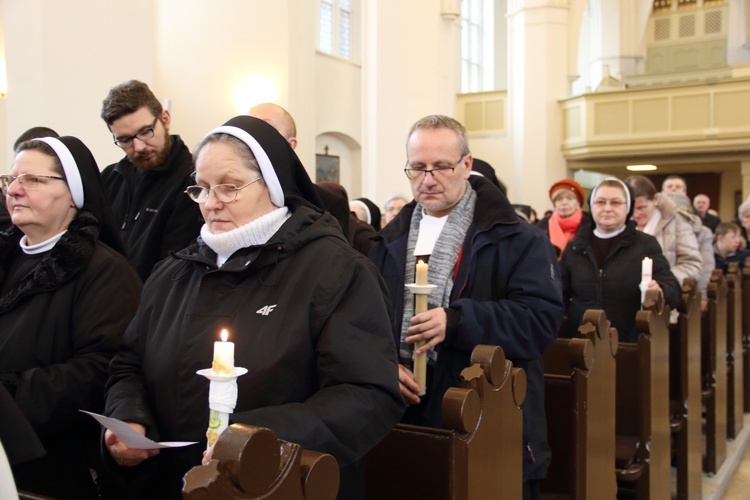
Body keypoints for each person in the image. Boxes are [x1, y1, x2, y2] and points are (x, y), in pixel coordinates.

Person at [102, 116, 403, 499]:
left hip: (280, 484)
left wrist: (250, 440)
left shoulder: (335, 270)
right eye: (202, 188)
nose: (211, 203)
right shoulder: (172, 272)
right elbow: (129, 363)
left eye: (229, 187)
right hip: (170, 482)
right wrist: (130, 417)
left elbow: (366, 393)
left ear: (274, 184)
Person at [369, 115, 564, 499]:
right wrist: (382, 364)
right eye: (417, 168)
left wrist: (457, 320)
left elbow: (539, 323)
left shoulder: (516, 238)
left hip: (486, 415)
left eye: (441, 167)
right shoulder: (387, 242)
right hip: (400, 411)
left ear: (467, 165)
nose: (428, 179)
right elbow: (364, 321)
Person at [0, 136, 141, 498]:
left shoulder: (105, 271)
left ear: (73, 192)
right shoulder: (7, 256)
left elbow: (101, 369)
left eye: (32, 180)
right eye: (10, 179)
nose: (14, 190)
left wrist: (10, 392)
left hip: (55, 463)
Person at [100, 80, 203, 281]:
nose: (138, 147)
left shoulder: (194, 179)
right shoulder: (110, 178)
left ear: (165, 119)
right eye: (125, 140)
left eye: (145, 131)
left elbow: (176, 267)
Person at [560, 178, 681, 342]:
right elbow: (559, 294)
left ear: (628, 208)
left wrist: (660, 290)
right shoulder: (574, 247)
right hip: (581, 340)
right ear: (592, 206)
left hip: (627, 339)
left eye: (615, 203)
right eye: (601, 202)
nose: (607, 208)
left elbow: (672, 289)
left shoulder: (645, 244)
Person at [248, 102, 352, 240]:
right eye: (248, 127)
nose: (252, 134)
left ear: (290, 144)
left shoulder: (329, 202)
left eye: (266, 127)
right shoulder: (225, 196)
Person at [626, 175, 702, 288]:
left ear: (655, 199)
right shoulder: (620, 223)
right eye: (630, 209)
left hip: (664, 295)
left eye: (641, 208)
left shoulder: (676, 221)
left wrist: (664, 282)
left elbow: (691, 264)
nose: (636, 214)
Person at [664, 191, 714, 312]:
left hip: (690, 291)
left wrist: (703, 295)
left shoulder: (702, 232)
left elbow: (706, 266)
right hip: (666, 292)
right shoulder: (662, 228)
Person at [536, 178, 590, 259]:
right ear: (554, 204)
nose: (564, 203)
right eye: (559, 199)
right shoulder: (543, 225)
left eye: (570, 198)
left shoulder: (589, 223)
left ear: (578, 203)